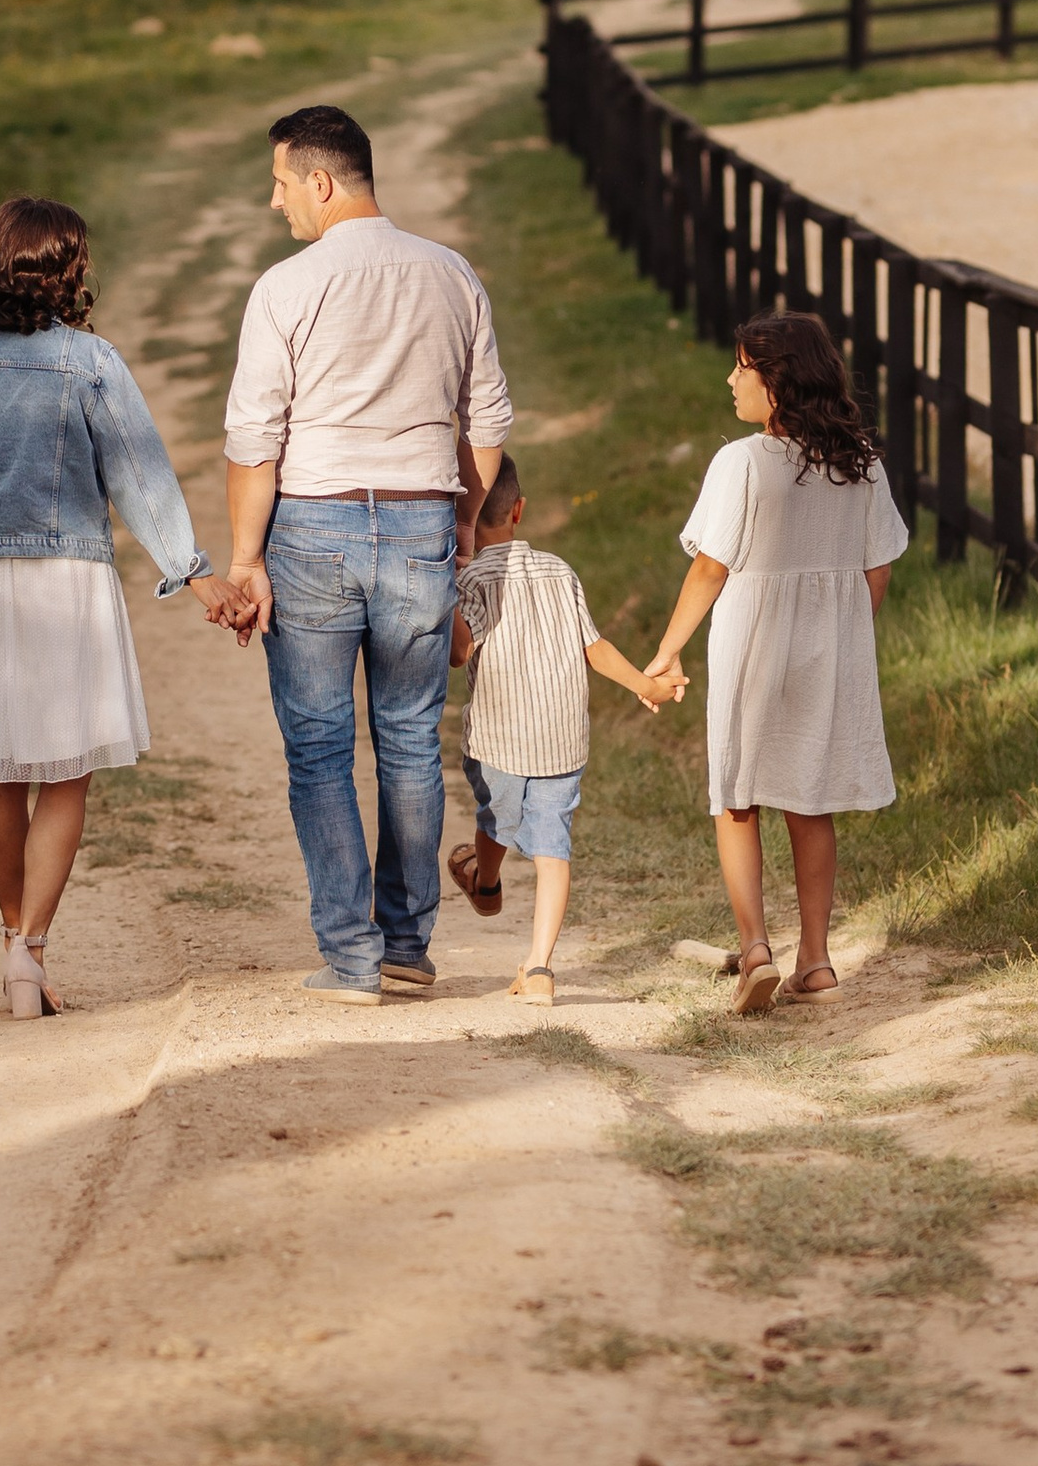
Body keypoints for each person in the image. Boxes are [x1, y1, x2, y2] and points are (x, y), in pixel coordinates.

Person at [0, 194, 236, 1020]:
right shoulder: (90, 363)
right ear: (67, 271)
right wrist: (192, 572)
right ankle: (31, 949)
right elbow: (139, 475)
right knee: (65, 773)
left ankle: (10, 935)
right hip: (67, 580)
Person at [220, 103, 513, 1003]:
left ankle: (350, 956)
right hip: (423, 523)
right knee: (411, 739)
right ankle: (406, 947)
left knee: (318, 748)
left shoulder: (285, 288)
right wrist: (464, 525)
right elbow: (488, 422)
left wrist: (245, 559)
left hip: (313, 527)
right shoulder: (452, 273)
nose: (276, 203)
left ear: (321, 181)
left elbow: (254, 440)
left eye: (281, 184)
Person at [644, 309, 909, 1013]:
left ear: (778, 381)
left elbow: (710, 568)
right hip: (830, 649)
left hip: (752, 644)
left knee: (737, 795)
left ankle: (756, 950)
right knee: (809, 799)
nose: (730, 380)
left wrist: (667, 651)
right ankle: (815, 962)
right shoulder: (861, 463)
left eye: (742, 368)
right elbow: (878, 567)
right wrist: (843, 633)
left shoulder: (742, 463)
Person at [446, 455, 665, 1002]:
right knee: (553, 848)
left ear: (458, 519)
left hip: (498, 738)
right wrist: (644, 684)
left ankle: (486, 883)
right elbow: (595, 648)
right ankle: (541, 969)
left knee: (495, 815)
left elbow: (459, 653)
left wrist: (440, 590)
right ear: (519, 510)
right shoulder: (560, 571)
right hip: (562, 738)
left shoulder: (469, 580)